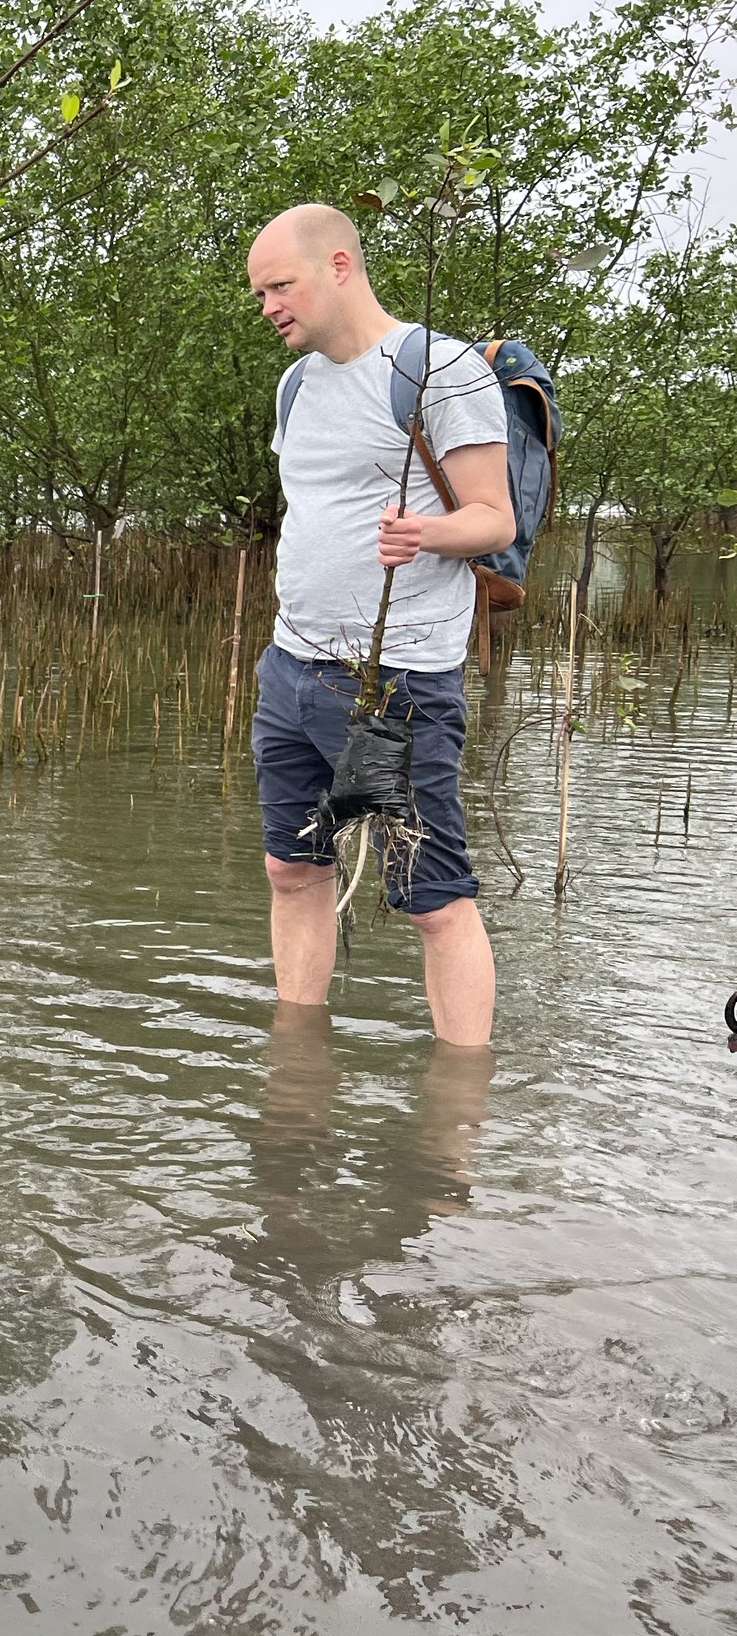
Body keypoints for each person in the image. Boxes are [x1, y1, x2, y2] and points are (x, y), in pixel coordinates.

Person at [245, 203, 514, 1045]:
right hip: (289, 668)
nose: (268, 307)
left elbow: (495, 519)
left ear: (339, 266)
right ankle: (298, 1064)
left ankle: (458, 1118)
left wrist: (427, 533)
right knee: (291, 868)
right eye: (258, 294)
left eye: (279, 286)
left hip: (398, 684)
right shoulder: (295, 385)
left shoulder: (440, 370)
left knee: (432, 899)